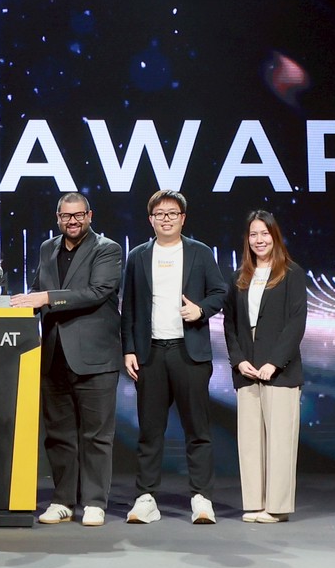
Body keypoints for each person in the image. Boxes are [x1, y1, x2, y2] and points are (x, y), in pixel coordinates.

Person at [119, 189, 231, 525]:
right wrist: (128, 349)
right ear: (150, 219)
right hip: (150, 353)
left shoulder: (199, 252)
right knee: (150, 431)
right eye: (159, 214)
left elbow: (220, 293)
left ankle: (201, 498)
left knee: (197, 429)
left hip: (189, 353)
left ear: (183, 218)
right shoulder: (138, 256)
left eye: (172, 213)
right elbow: (129, 307)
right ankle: (146, 498)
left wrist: (201, 310)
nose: (166, 219)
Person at [18, 191, 124, 526]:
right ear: (58, 218)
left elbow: (97, 292)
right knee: (58, 435)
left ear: (89, 216)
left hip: (95, 358)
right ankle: (63, 500)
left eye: (79, 215)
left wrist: (47, 297)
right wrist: (7, 308)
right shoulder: (47, 248)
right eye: (66, 216)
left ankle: (94, 502)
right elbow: (36, 291)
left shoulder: (107, 249)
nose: (73, 221)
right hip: (53, 357)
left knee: (96, 435)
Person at [225, 208, 307, 523]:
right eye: (253, 234)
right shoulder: (239, 277)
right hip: (247, 369)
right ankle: (255, 503)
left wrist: (274, 362)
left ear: (275, 236)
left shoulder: (292, 273)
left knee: (280, 441)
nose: (259, 240)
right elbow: (230, 324)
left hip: (280, 371)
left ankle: (277, 507)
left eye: (264, 233)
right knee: (250, 442)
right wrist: (239, 360)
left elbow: (296, 323)